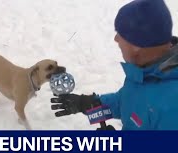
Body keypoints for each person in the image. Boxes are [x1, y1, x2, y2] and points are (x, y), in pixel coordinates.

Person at [50, 0, 178, 130]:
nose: (116, 39)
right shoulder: (145, 71)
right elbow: (128, 102)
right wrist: (89, 105)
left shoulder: (172, 109)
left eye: (120, 34)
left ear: (136, 45)